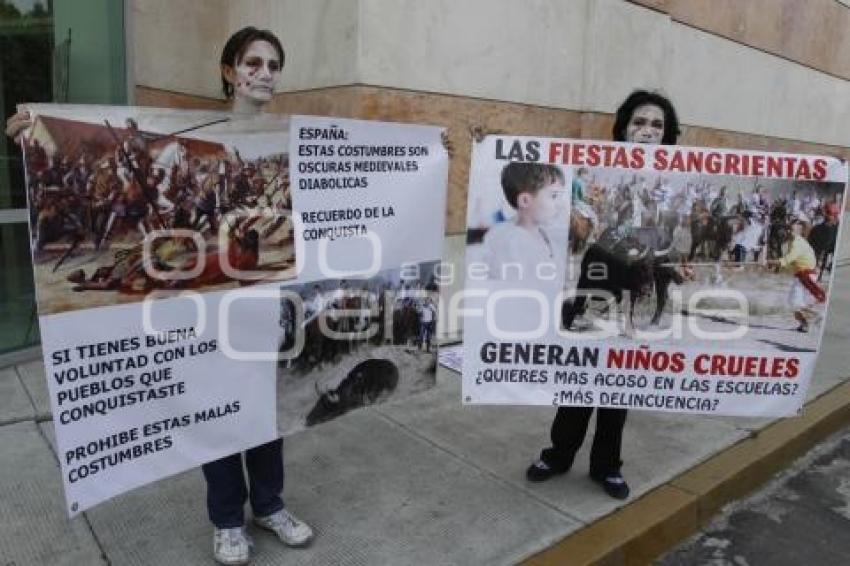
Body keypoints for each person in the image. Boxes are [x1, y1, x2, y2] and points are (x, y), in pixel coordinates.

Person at [8, 26, 313, 565]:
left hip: (263, 299)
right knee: (216, 406)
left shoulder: (295, 136)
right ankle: (226, 519)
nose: (265, 74)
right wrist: (30, 134)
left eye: (273, 65)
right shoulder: (184, 134)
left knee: (265, 409)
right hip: (201, 300)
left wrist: (425, 155)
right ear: (229, 71)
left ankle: (269, 504)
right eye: (254, 63)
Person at [526, 89, 682, 500]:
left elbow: (662, 228)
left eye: (656, 125)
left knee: (617, 386)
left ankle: (606, 466)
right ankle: (558, 455)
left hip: (638, 260)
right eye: (639, 122)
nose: (647, 131)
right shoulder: (596, 164)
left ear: (667, 135)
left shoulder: (670, 180)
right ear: (624, 127)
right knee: (580, 379)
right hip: (602, 257)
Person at [480, 162, 567, 281]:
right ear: (525, 201)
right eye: (554, 196)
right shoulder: (509, 242)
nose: (560, 205)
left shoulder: (543, 234)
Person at [770, 220, 826, 333]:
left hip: (806, 276)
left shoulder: (797, 243)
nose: (784, 235)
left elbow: (788, 259)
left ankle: (819, 316)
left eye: (789, 231)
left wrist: (771, 262)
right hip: (801, 275)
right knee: (795, 304)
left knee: (794, 302)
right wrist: (774, 264)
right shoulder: (793, 242)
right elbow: (790, 263)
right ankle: (804, 324)